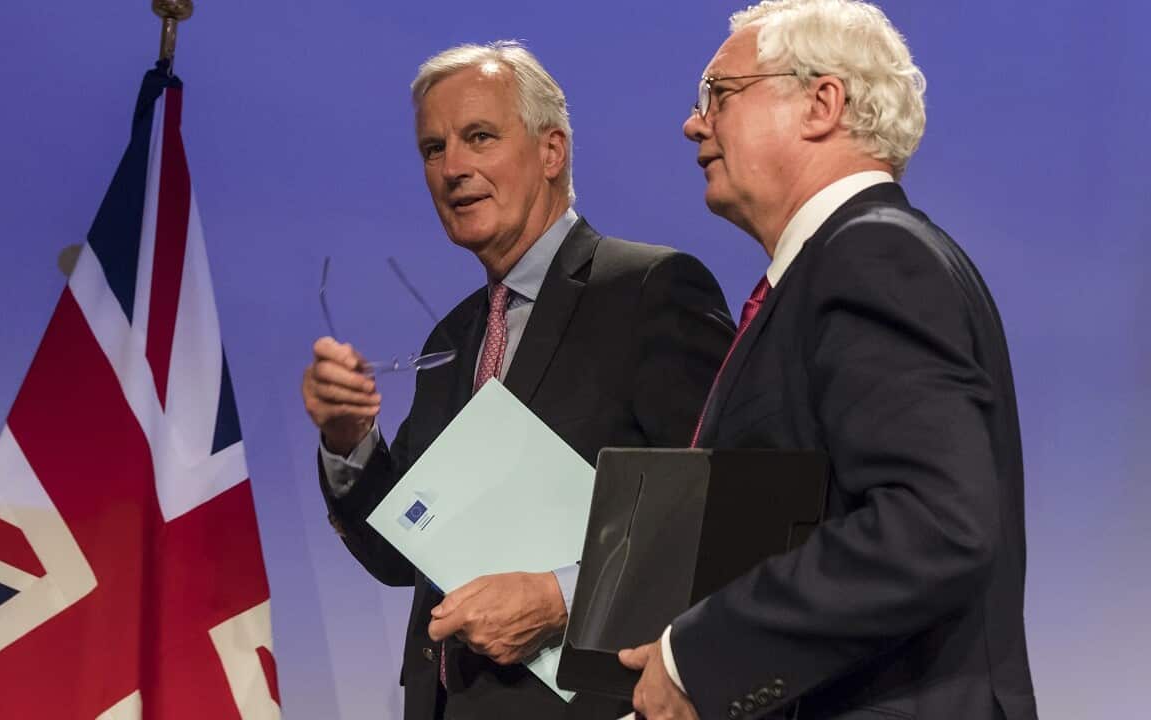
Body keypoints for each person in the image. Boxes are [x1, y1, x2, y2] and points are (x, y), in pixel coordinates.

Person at [617, 2, 1039, 719]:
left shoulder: (873, 255)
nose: (695, 123)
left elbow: (933, 522)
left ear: (822, 103)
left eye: (718, 94)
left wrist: (697, 658)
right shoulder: (851, 261)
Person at [302, 41, 734, 720]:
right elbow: (399, 558)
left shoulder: (648, 290)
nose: (453, 169)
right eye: (432, 148)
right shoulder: (451, 338)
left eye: (479, 137)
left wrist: (560, 597)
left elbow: (721, 514)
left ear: (552, 150)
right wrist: (348, 441)